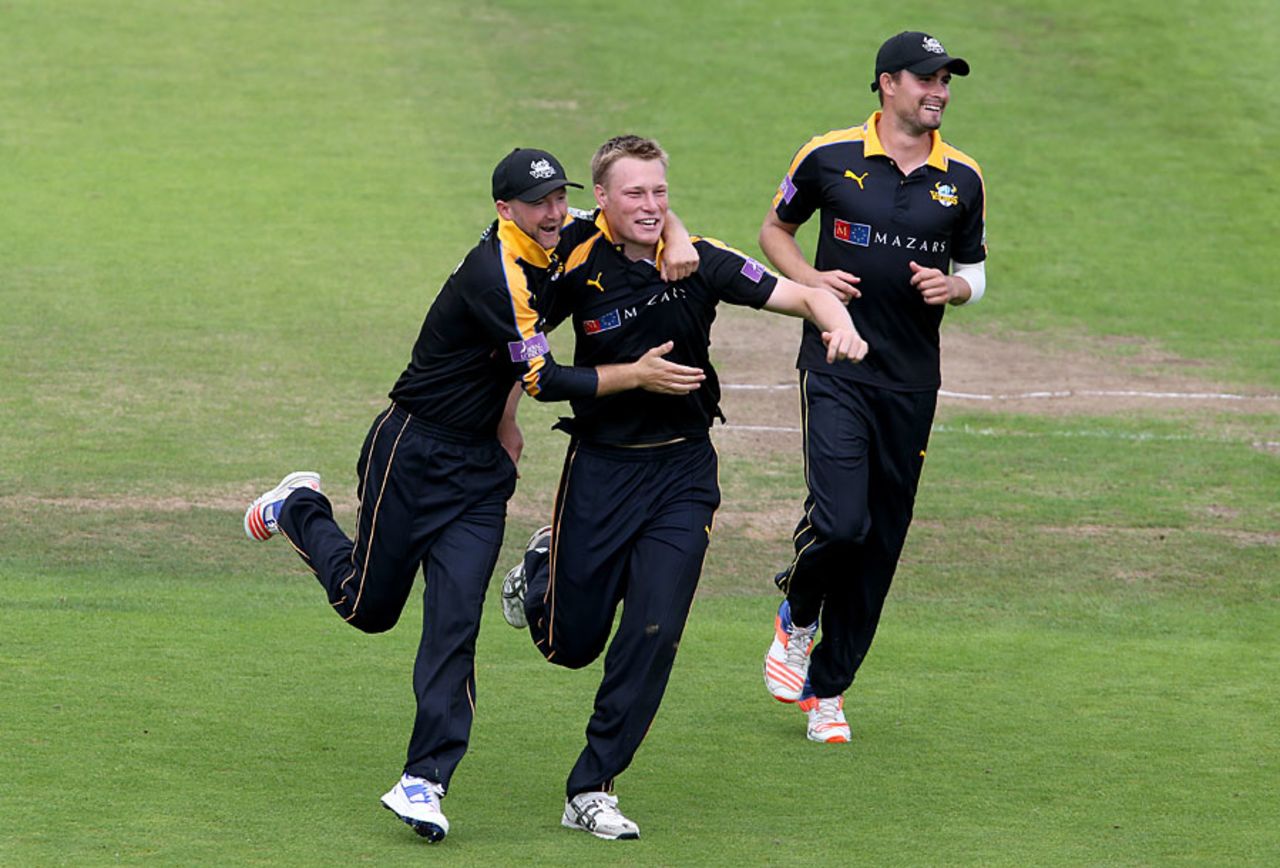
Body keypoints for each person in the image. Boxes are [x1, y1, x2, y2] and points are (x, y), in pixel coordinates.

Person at [241, 147, 702, 843]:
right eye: (538, 203)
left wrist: (680, 233)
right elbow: (544, 376)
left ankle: (424, 779)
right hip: (413, 448)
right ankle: (299, 507)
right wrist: (633, 376)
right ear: (504, 209)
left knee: (455, 622)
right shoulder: (499, 272)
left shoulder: (564, 229)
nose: (554, 213)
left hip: (480, 468)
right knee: (368, 608)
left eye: (559, 198)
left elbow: (637, 216)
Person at [500, 135, 867, 840]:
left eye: (660, 192)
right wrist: (505, 423)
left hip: (683, 476)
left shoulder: (701, 259)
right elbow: (518, 347)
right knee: (569, 645)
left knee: (655, 629)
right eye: (633, 193)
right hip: (601, 471)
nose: (650, 205)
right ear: (599, 199)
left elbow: (800, 295)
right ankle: (541, 569)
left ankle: (591, 788)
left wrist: (839, 321)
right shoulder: (570, 260)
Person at [759, 31, 988, 743]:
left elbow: (976, 270)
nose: (939, 91)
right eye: (927, 79)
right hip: (835, 365)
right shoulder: (826, 156)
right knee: (840, 522)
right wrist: (809, 277)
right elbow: (776, 229)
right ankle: (796, 616)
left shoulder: (965, 177)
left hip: (912, 382)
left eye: (946, 80)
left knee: (880, 540)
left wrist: (954, 286)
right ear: (888, 84)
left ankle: (828, 692)